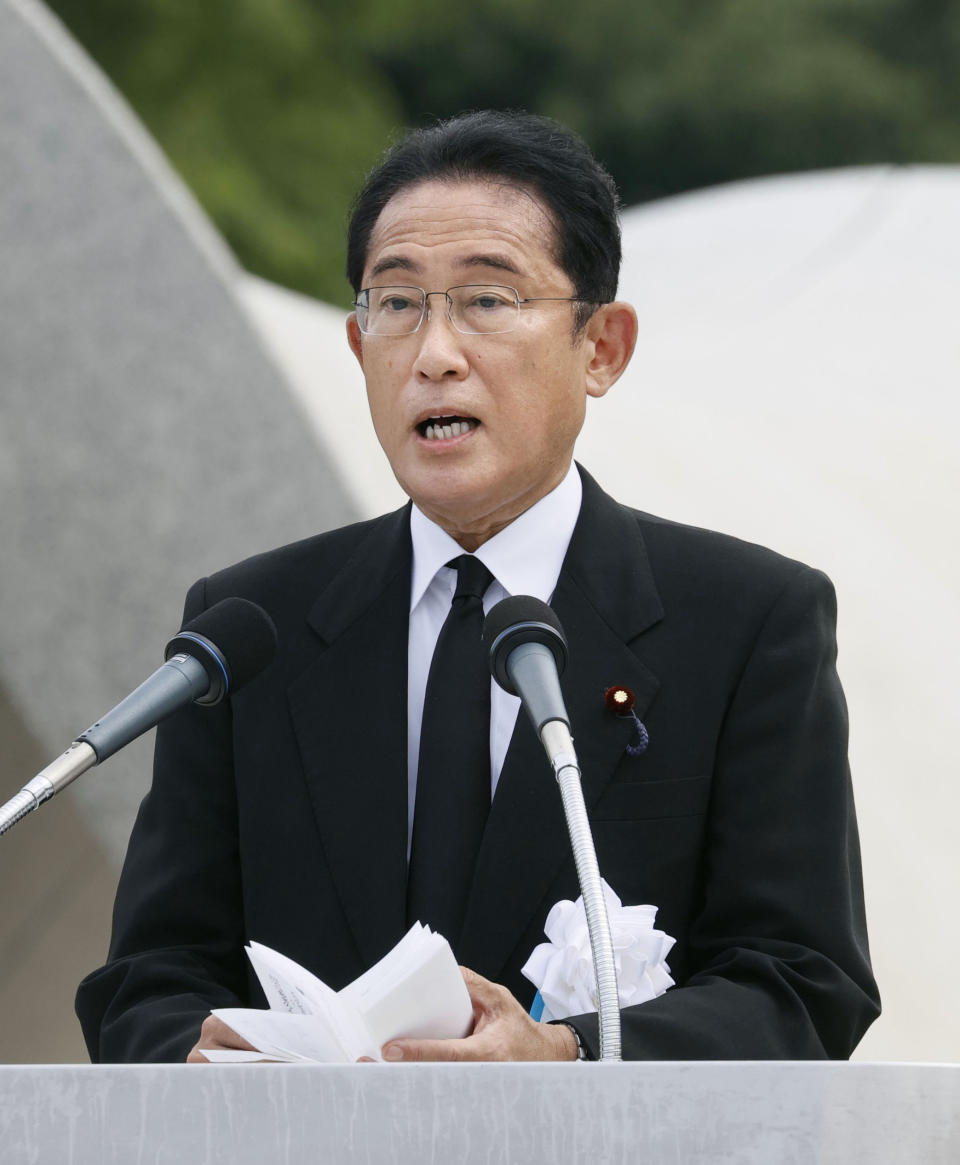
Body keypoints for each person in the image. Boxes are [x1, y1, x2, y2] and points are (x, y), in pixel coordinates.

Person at [76, 110, 879, 1063]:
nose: (434, 353)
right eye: (397, 303)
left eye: (488, 301)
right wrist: (197, 1055)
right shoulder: (251, 627)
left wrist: (571, 1055)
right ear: (358, 345)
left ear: (601, 348)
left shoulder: (748, 621)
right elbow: (150, 974)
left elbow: (801, 981)